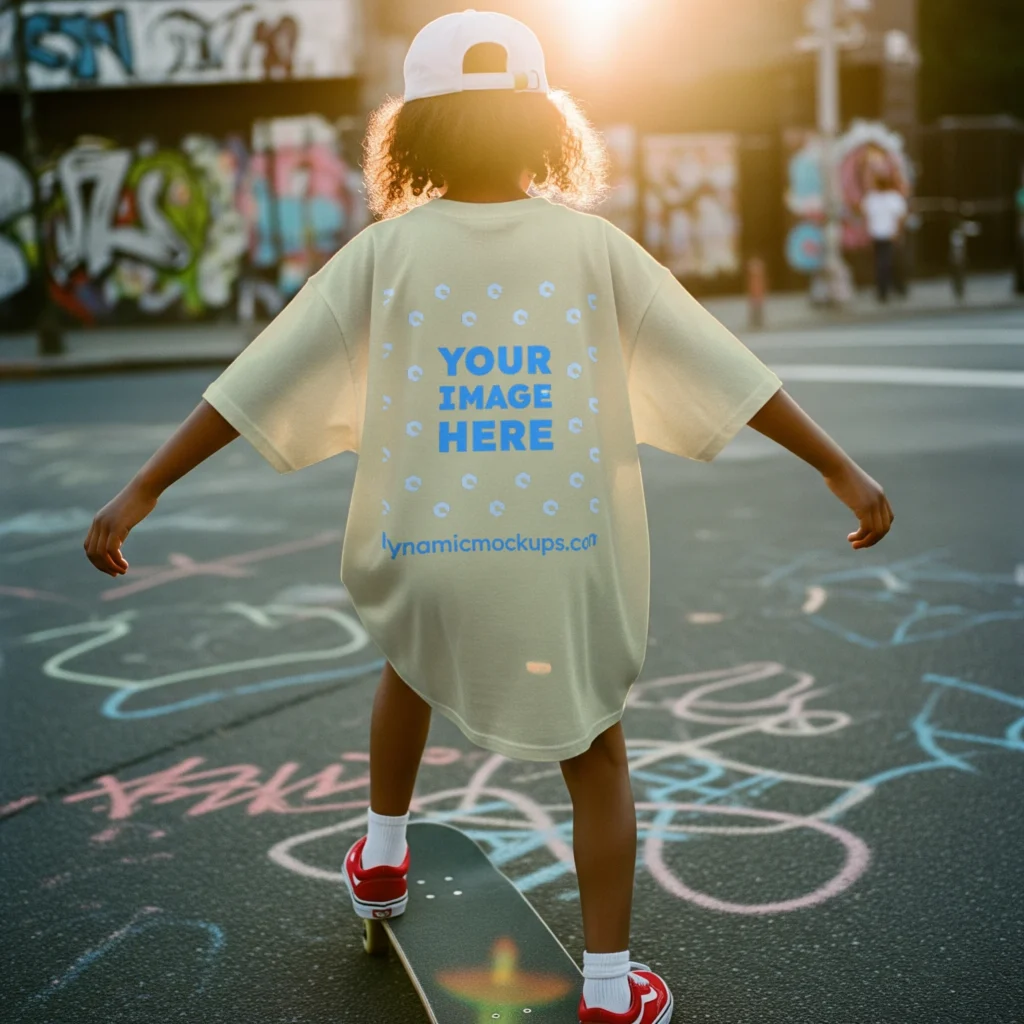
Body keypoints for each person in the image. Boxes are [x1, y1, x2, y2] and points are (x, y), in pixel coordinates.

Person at [84, 12, 894, 1023]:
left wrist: (145, 487)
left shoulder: (386, 254)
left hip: (427, 552)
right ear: (542, 125)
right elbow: (729, 373)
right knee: (594, 752)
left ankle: (381, 857)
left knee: (411, 660)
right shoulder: (596, 250)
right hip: (561, 558)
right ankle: (608, 989)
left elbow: (254, 383)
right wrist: (840, 468)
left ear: (412, 132)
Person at [860, 169, 909, 302]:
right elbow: (901, 217)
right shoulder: (893, 198)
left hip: (879, 235)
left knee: (882, 263)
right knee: (888, 262)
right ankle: (893, 289)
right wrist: (898, 232)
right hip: (888, 234)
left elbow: (865, 217)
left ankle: (885, 291)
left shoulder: (872, 198)